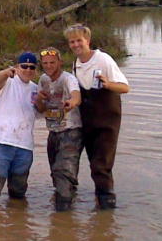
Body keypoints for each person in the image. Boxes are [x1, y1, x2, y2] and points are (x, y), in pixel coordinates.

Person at [63, 24, 130, 209]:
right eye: (72, 42)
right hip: (88, 121)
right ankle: (96, 203)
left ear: (88, 41)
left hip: (107, 121)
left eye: (79, 40)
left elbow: (125, 87)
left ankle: (107, 209)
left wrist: (108, 84)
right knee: (93, 162)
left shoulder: (103, 59)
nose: (76, 45)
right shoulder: (75, 64)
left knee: (102, 165)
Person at [0, 52, 38, 206]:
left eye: (32, 67)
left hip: (24, 147)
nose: (28, 70)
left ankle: (16, 225)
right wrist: (5, 73)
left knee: (18, 193)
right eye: (24, 66)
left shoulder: (36, 89)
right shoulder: (7, 82)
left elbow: (42, 112)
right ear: (17, 67)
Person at [34, 47, 82, 212]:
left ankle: (63, 220)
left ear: (60, 62)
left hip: (71, 131)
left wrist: (72, 102)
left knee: (63, 173)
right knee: (57, 176)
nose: (49, 66)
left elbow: (76, 95)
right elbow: (40, 109)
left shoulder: (68, 79)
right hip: (53, 132)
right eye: (45, 63)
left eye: (52, 62)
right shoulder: (43, 80)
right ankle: (68, 207)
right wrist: (39, 99)